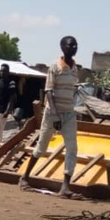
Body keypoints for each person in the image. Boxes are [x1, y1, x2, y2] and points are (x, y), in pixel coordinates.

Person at [19, 36, 83, 199]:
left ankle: (65, 187)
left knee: (72, 148)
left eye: (75, 45)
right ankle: (25, 177)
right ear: (62, 47)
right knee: (41, 147)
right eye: (70, 45)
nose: (73, 47)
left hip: (69, 113)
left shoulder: (75, 68)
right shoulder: (54, 67)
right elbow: (49, 91)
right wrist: (55, 116)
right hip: (52, 113)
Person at [0, 64, 17, 144]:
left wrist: (8, 110)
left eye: (4, 71)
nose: (2, 73)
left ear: (8, 72)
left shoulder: (11, 82)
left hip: (3, 109)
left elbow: (12, 97)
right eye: (1, 71)